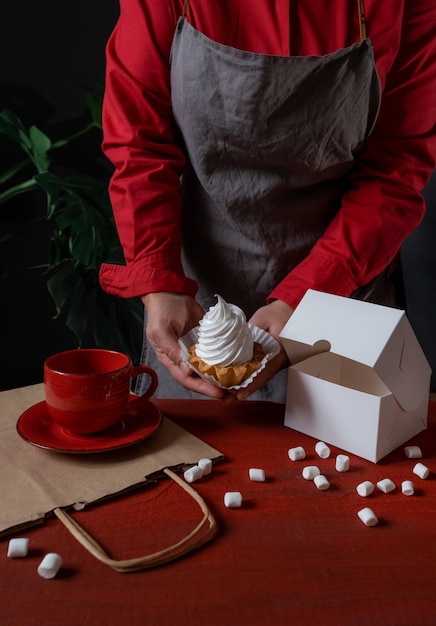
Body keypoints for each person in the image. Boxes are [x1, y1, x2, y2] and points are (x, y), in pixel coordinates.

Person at [99, 0, 436, 403]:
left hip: (345, 295)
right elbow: (139, 145)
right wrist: (159, 282)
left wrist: (311, 293)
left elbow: (395, 169)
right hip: (196, 309)